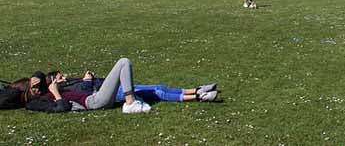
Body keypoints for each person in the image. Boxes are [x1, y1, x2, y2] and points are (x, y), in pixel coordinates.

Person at [23, 58, 150, 113]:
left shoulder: (43, 91)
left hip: (95, 96)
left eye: (37, 87)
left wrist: (35, 76)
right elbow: (62, 108)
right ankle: (130, 103)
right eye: (34, 90)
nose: (37, 90)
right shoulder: (34, 103)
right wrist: (56, 93)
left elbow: (41, 75)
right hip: (93, 102)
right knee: (123, 62)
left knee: (124, 65)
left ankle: (132, 100)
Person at [46, 71, 217, 103]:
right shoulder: (67, 90)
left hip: (118, 86)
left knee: (158, 86)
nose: (64, 76)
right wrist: (87, 80)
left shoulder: (70, 83)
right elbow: (85, 93)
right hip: (112, 93)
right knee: (157, 93)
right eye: (60, 76)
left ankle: (196, 89)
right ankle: (198, 97)